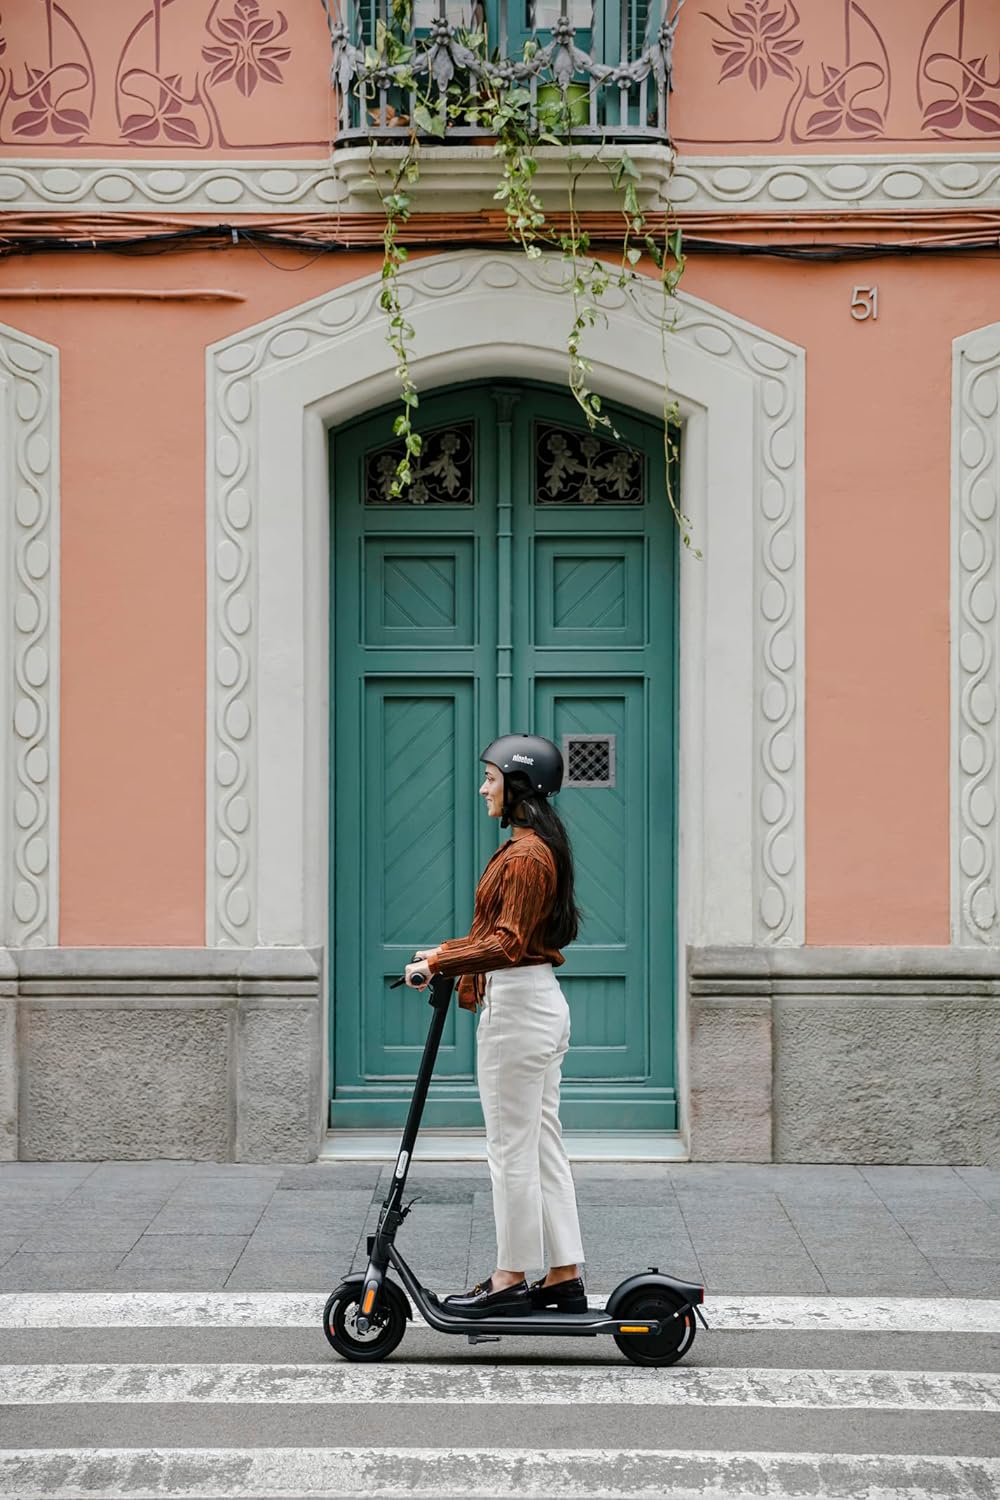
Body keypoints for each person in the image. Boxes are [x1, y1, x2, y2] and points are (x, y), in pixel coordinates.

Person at [404, 734, 587, 1317]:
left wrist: (438, 963)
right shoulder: (529, 849)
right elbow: (506, 937)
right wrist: (447, 950)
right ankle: (562, 1273)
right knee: (541, 1147)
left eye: (491, 778)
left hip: (519, 1011)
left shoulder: (528, 855)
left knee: (510, 1149)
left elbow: (507, 946)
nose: (483, 788)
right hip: (533, 1005)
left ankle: (510, 1278)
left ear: (519, 786)